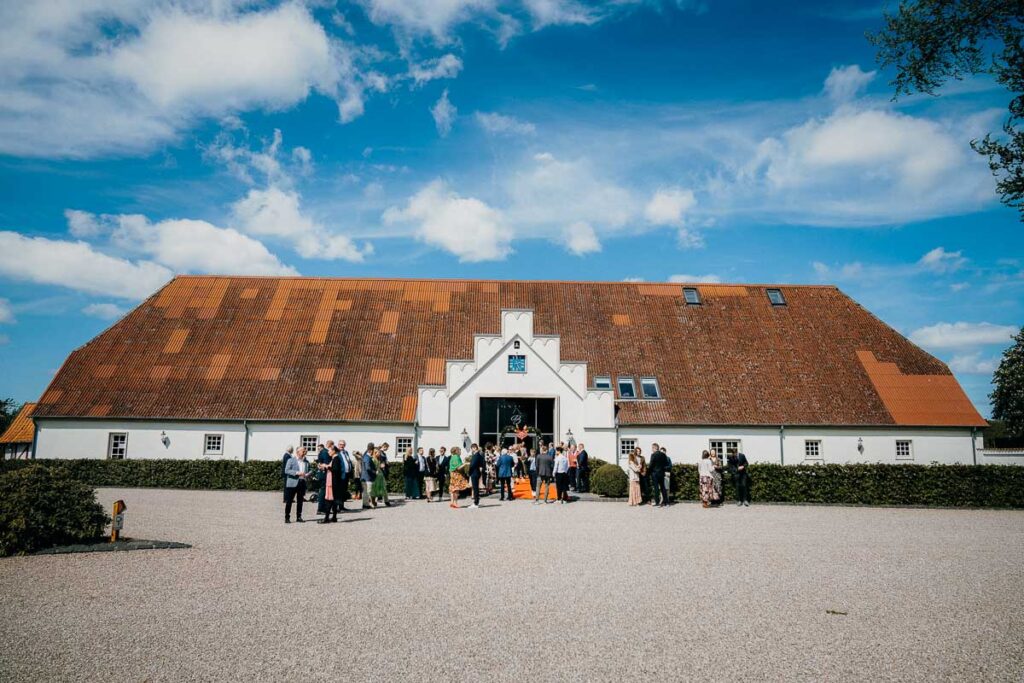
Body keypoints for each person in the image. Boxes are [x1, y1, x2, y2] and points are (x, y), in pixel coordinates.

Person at [284, 448, 309, 523]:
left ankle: (299, 517)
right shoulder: (291, 460)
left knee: (300, 501)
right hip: (292, 483)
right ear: (297, 452)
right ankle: (287, 517)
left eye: (305, 451)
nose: (304, 452)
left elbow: (309, 470)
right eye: (303, 451)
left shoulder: (306, 462)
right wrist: (297, 473)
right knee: (289, 501)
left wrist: (308, 474)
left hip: (302, 482)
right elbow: (287, 470)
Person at [319, 447, 343, 524]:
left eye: (329, 451)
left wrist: (326, 466)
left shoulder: (336, 459)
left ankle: (327, 518)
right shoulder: (334, 459)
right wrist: (324, 468)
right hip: (331, 481)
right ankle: (334, 517)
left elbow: (335, 470)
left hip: (333, 483)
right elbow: (332, 469)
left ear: (333, 451)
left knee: (329, 500)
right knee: (333, 500)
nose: (328, 452)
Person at [648, 442, 670, 508]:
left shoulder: (653, 455)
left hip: (655, 474)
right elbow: (666, 463)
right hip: (661, 473)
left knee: (656, 488)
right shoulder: (663, 455)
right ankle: (666, 503)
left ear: (654, 448)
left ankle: (657, 502)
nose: (652, 449)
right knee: (663, 488)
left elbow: (651, 465)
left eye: (652, 448)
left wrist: (649, 472)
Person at [468, 443, 485, 509]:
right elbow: (482, 464)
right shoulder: (479, 455)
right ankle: (476, 501)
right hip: (477, 473)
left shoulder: (476, 455)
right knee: (476, 488)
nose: (472, 450)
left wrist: (469, 472)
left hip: (474, 473)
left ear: (474, 448)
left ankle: (476, 502)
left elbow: (472, 465)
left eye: (472, 448)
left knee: (475, 488)